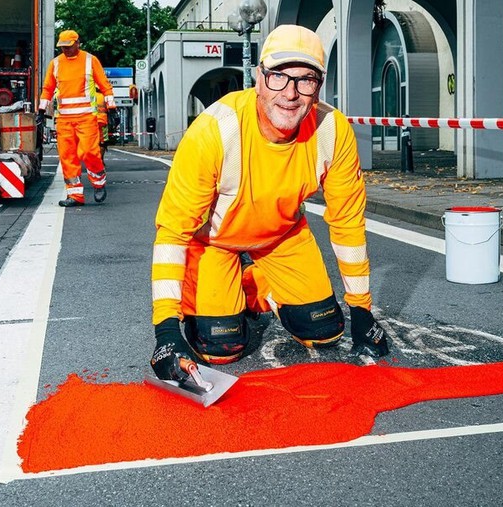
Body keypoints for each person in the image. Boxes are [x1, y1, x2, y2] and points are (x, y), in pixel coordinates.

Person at [150, 24, 390, 383]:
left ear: (319, 86)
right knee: (220, 347)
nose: (290, 93)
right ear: (258, 78)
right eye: (278, 76)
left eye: (305, 80)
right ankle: (225, 287)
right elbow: (173, 232)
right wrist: (166, 331)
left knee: (326, 331)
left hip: (281, 237)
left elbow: (347, 224)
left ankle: (256, 283)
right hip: (214, 242)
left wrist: (362, 309)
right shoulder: (215, 130)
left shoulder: (332, 130)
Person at [38, 30, 115, 207]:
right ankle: (75, 195)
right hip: (64, 120)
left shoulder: (90, 60)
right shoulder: (55, 64)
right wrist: (41, 111)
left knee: (89, 152)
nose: (65, 50)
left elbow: (105, 85)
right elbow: (48, 88)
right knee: (67, 157)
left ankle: (98, 182)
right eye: (62, 47)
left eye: (68, 46)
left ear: (78, 43)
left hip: (86, 117)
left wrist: (111, 108)